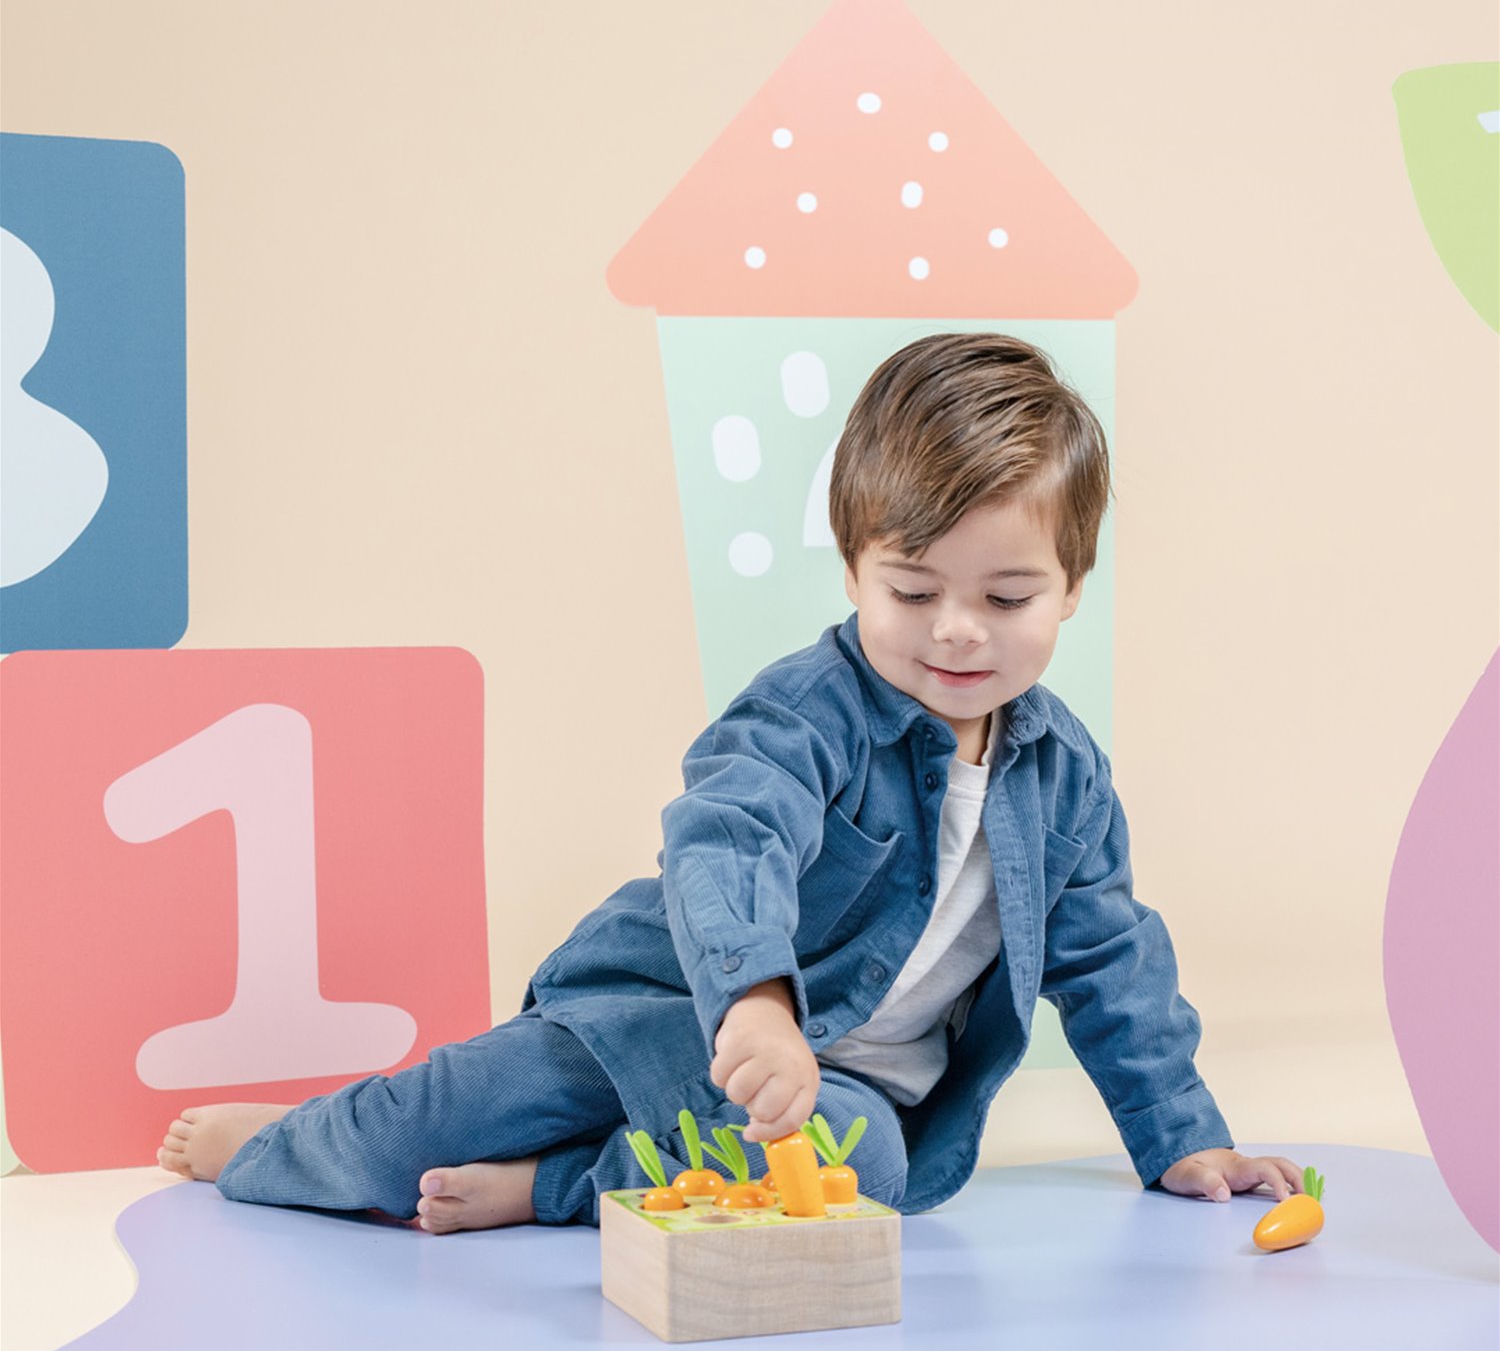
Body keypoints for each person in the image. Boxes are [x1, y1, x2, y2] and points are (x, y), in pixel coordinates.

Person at [159, 332, 1303, 1231]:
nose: (958, 633)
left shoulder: (1065, 780)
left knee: (868, 1176)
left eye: (1006, 598)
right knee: (433, 1112)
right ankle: (275, 1146)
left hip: (834, 1094)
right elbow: (727, 837)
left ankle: (552, 1191)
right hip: (657, 1014)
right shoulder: (809, 709)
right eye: (912, 591)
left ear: (1071, 588)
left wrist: (1178, 1136)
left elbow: (1112, 960)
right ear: (855, 566)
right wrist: (757, 999)